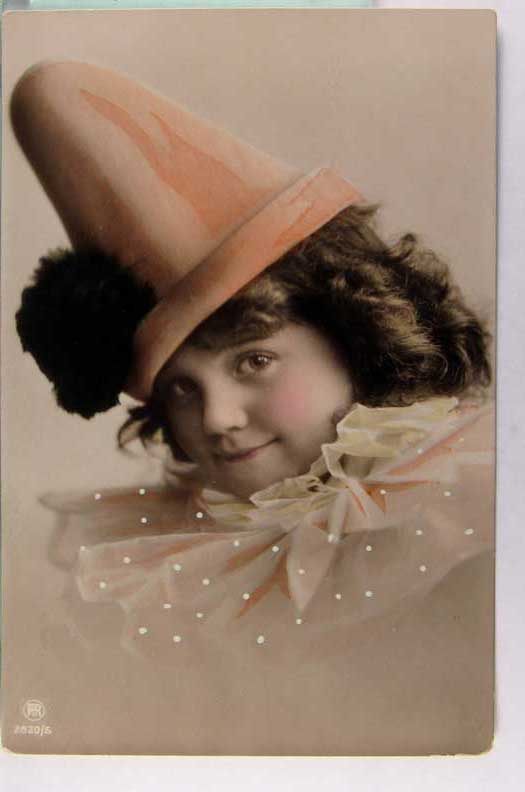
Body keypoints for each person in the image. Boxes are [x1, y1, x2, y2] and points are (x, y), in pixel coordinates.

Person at [10, 60, 495, 754]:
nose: (216, 419)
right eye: (181, 388)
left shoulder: (464, 506)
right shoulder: (163, 576)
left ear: (351, 334)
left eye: (254, 361)